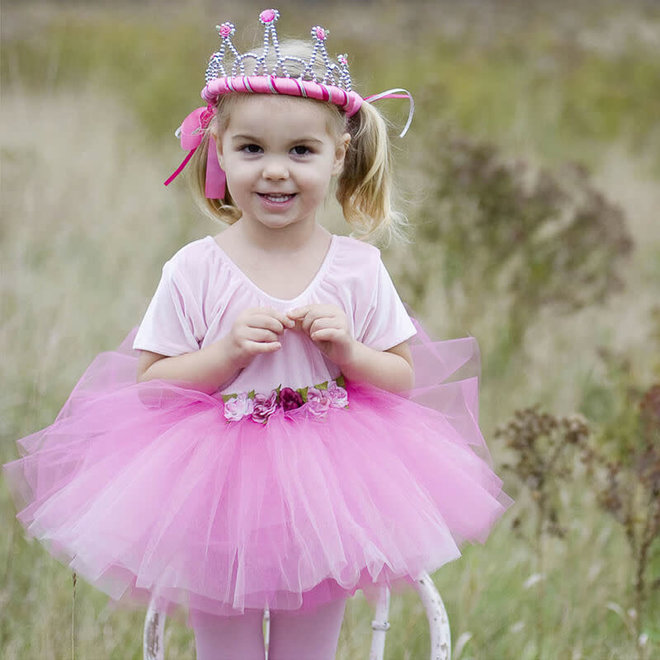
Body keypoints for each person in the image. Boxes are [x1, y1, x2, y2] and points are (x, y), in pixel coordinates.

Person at [3, 8, 510, 660]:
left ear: (337, 158)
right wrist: (225, 354)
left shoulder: (357, 268)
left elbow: (403, 378)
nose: (275, 170)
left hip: (332, 481)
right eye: (252, 149)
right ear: (219, 152)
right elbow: (153, 385)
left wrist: (348, 352)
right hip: (216, 484)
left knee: (309, 651)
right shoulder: (195, 268)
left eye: (301, 150)